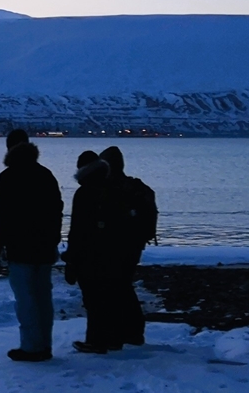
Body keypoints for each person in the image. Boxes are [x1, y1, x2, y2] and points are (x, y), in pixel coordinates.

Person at [0, 129, 63, 362]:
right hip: (43, 246)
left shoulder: (8, 176)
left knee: (26, 299)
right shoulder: (45, 174)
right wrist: (53, 239)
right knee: (43, 297)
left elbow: (2, 214)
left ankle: (32, 346)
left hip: (20, 246)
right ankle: (44, 344)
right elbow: (56, 210)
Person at [63, 150, 122, 354]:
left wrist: (71, 259)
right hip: (111, 251)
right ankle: (112, 338)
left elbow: (78, 229)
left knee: (93, 299)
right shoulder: (112, 187)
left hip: (89, 253)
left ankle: (96, 341)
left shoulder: (85, 192)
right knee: (107, 296)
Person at [99, 146, 152, 347]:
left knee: (118, 287)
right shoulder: (133, 187)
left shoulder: (112, 188)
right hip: (134, 244)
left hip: (118, 245)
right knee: (122, 286)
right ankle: (131, 331)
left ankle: (128, 332)